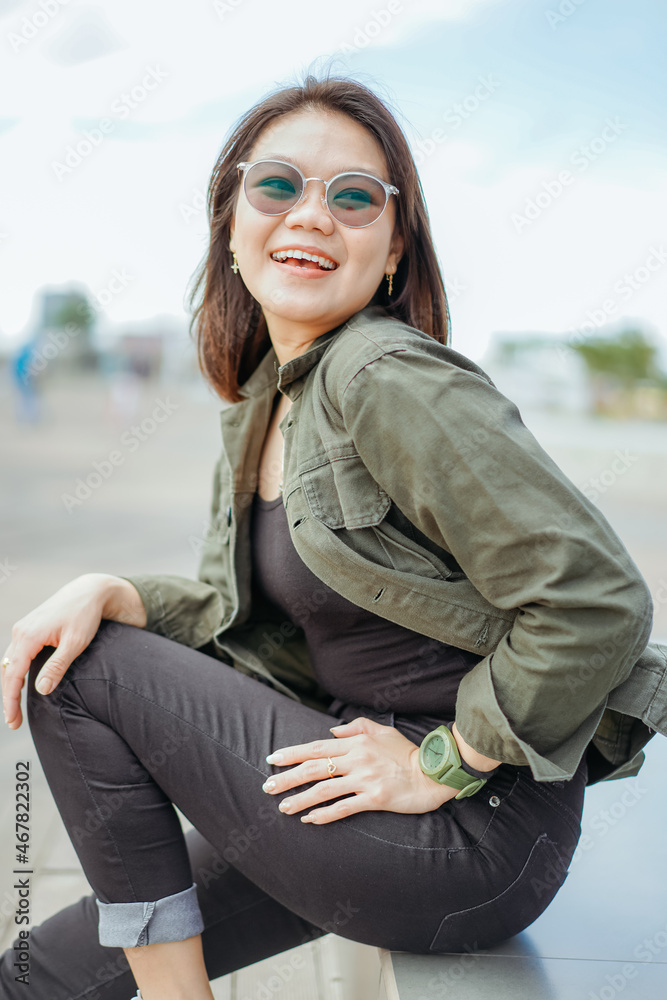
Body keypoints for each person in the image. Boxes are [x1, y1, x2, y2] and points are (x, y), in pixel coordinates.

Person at [1, 71, 664, 1000]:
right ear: (231, 226)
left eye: (354, 198)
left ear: (392, 253)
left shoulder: (385, 376)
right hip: (348, 786)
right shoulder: (264, 400)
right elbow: (240, 624)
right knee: (36, 977)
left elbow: (597, 600)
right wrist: (120, 589)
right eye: (278, 186)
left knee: (76, 668)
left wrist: (450, 756)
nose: (312, 214)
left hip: (468, 827)